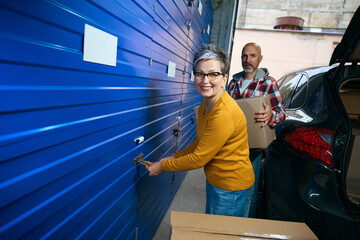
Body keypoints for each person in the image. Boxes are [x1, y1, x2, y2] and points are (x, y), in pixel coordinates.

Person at [146, 44, 254, 217]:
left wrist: (163, 166)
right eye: (200, 74)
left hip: (231, 187)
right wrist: (171, 158)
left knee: (221, 235)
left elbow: (198, 159)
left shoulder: (223, 113)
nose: (205, 81)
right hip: (218, 181)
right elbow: (200, 142)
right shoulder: (207, 103)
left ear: (224, 78)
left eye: (213, 74)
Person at [227, 42, 286, 217]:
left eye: (252, 56)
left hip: (253, 148)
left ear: (260, 59)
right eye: (244, 56)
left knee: (249, 192)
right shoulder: (233, 83)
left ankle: (244, 227)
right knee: (231, 187)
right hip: (231, 146)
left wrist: (271, 115)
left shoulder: (269, 82)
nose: (248, 60)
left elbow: (281, 112)